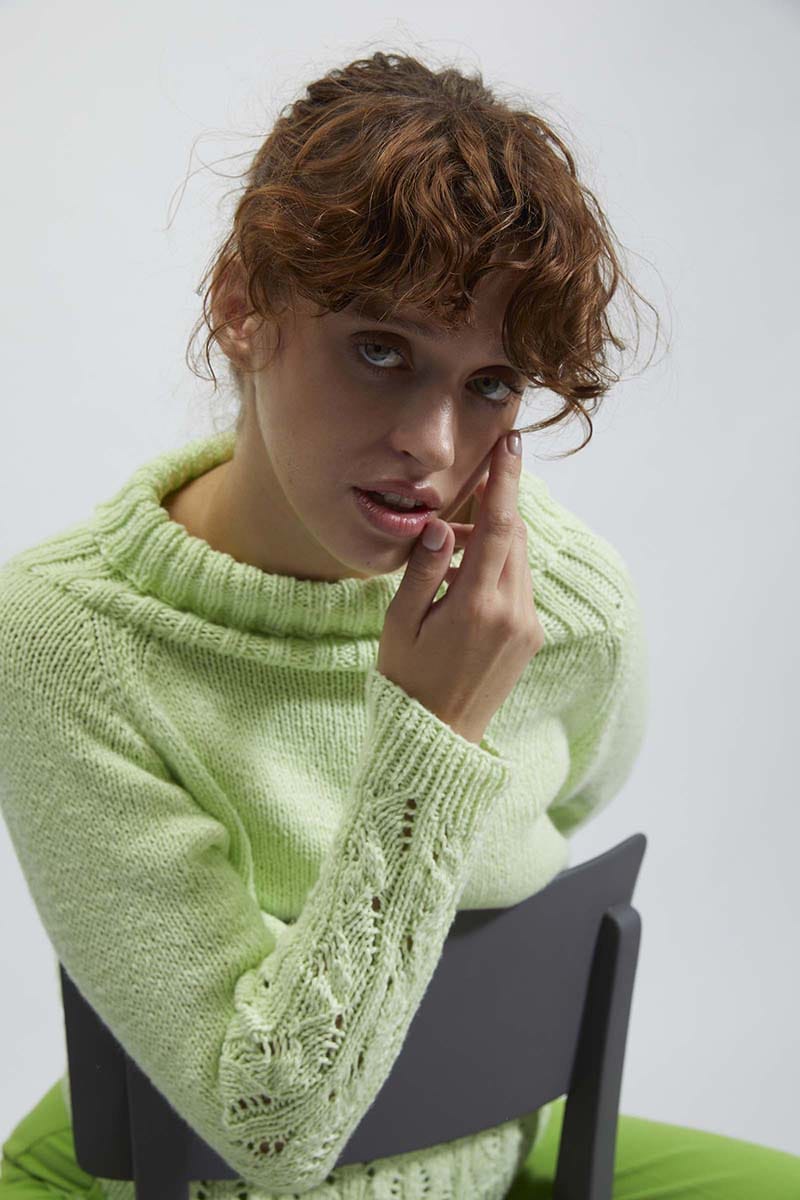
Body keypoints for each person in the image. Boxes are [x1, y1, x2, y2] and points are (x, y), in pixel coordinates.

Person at [1, 48, 797, 1200]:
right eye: (381, 351)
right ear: (241, 305)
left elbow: (572, 796)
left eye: (489, 384)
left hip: (493, 1152)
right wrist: (431, 732)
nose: (432, 445)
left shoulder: (558, 602)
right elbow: (270, 1131)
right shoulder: (67, 642)